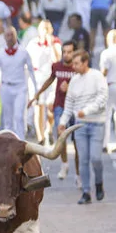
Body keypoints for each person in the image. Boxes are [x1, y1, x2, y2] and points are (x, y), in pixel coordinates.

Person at [60, 50, 109, 204]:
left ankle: (99, 183)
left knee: (95, 158)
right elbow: (69, 103)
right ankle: (86, 192)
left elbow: (102, 98)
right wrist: (62, 122)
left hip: (96, 123)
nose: (73, 67)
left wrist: (86, 111)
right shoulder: (74, 81)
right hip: (79, 125)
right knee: (83, 159)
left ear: (85, 62)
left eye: (76, 63)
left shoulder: (97, 76)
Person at [33, 40, 76, 181]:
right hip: (60, 106)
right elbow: (50, 80)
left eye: (70, 52)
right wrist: (37, 94)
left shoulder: (78, 68)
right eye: (64, 51)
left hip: (76, 107)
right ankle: (64, 164)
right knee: (60, 135)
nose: (66, 54)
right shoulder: (56, 66)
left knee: (77, 142)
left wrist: (70, 88)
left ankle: (79, 173)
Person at [0, 27, 37, 138]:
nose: (10, 37)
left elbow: (31, 71)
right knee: (7, 119)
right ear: (4, 37)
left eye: (12, 35)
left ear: (16, 36)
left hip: (20, 88)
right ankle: (9, 143)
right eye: (8, 35)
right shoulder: (0, 53)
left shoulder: (23, 52)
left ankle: (21, 141)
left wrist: (35, 90)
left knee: (19, 116)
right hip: (6, 87)